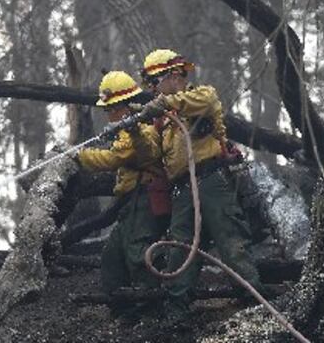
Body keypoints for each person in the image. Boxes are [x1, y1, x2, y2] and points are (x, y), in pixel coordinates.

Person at [139, 48, 264, 326]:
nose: (152, 89)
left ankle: (255, 307)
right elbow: (148, 149)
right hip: (183, 190)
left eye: (154, 82)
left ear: (173, 76)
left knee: (231, 242)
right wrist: (133, 127)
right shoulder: (164, 120)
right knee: (180, 249)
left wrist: (164, 104)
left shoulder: (201, 97)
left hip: (212, 181)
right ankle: (176, 313)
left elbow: (206, 100)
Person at [76, 70, 171, 320]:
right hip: (130, 203)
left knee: (139, 255)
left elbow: (115, 158)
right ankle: (124, 311)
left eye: (111, 109)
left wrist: (78, 156)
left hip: (144, 201)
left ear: (125, 106)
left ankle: (150, 313)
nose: (108, 114)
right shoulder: (128, 130)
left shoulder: (144, 128)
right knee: (112, 258)